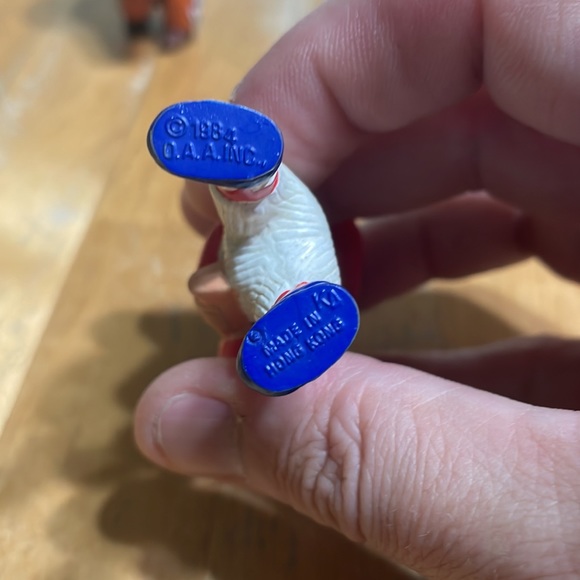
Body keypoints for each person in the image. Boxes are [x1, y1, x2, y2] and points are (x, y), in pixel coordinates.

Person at [134, 0, 580, 576]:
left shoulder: (282, 242)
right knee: (243, 253)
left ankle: (268, 241)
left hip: (280, 252)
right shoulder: (277, 229)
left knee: (248, 257)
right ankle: (260, 216)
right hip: (274, 242)